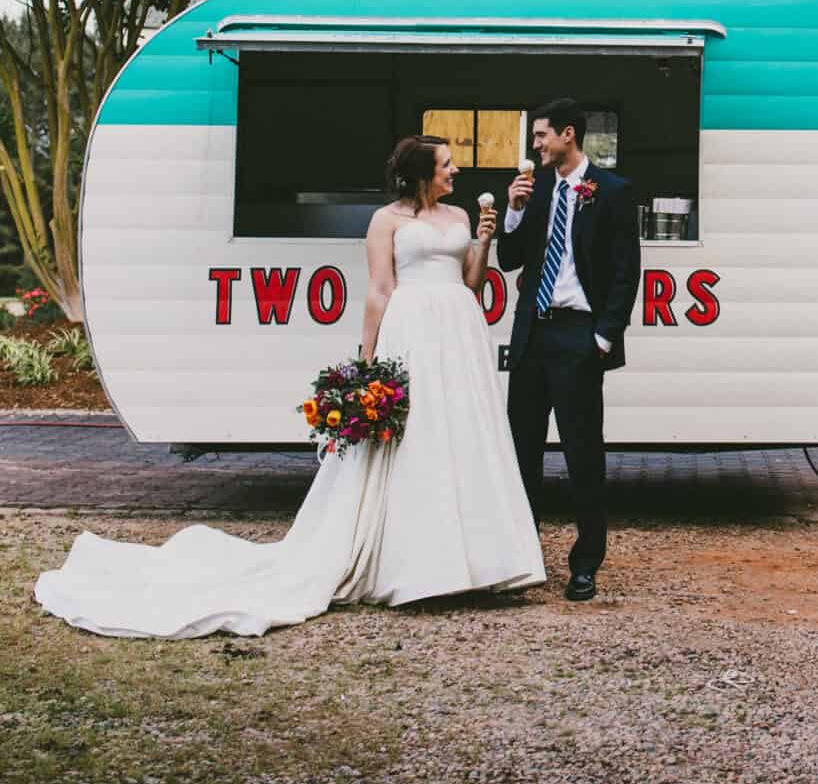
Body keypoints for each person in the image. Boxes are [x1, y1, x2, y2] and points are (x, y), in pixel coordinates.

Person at [33, 136, 544, 637]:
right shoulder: (386, 221)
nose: (455, 171)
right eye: (446, 164)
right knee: (416, 441)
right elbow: (380, 290)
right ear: (420, 174)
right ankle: (418, 564)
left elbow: (472, 282)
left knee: (462, 435)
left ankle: (475, 563)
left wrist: (483, 240)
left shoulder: (459, 217)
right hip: (411, 331)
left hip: (458, 333)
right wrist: (367, 363)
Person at [495, 98, 641, 601]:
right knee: (522, 452)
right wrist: (514, 211)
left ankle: (585, 563)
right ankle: (523, 559)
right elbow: (510, 260)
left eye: (541, 135)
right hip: (532, 334)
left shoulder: (612, 191)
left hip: (579, 336)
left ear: (568, 135)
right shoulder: (535, 191)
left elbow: (625, 273)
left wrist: (602, 337)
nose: (535, 145)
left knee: (583, 454)